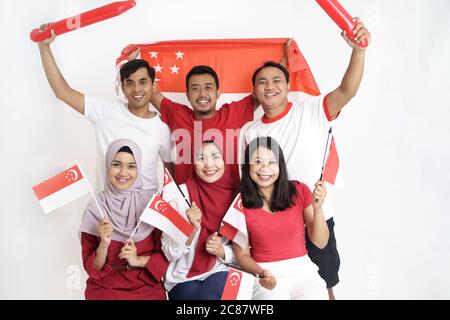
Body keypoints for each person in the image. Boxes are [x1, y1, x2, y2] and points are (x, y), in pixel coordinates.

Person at [242, 20, 371, 299]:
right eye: (262, 82)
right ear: (254, 91)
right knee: (273, 289)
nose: (270, 86)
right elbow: (246, 178)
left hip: (313, 217)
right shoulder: (249, 132)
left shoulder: (311, 111)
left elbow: (347, 91)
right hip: (271, 227)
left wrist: (358, 52)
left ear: (288, 85)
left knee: (324, 286)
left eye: (277, 80)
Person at [37, 28, 173, 191]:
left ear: (153, 86)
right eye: (130, 83)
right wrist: (43, 47)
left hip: (147, 210)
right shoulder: (106, 111)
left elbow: (170, 172)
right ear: (122, 87)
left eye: (143, 82)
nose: (137, 89)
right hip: (107, 211)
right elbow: (62, 91)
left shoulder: (162, 127)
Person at [235, 137, 329, 300]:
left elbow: (320, 242)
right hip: (266, 274)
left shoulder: (300, 190)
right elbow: (242, 256)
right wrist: (261, 272)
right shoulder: (239, 204)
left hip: (304, 271)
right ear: (247, 166)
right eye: (258, 161)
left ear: (280, 166)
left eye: (272, 162)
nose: (265, 168)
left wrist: (318, 209)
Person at [79, 139, 168, 300]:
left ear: (138, 168)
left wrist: (138, 260)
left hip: (146, 288)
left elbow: (166, 256)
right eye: (116, 164)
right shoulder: (95, 209)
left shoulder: (151, 204)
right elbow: (91, 269)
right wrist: (104, 245)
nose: (123, 173)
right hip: (106, 288)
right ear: (107, 166)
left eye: (131, 166)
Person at [161, 141, 239, 300]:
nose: (209, 164)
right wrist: (190, 229)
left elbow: (245, 253)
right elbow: (168, 253)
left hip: (219, 269)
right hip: (180, 276)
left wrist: (221, 251)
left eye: (216, 156)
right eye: (201, 158)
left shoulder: (236, 199)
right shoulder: (177, 195)